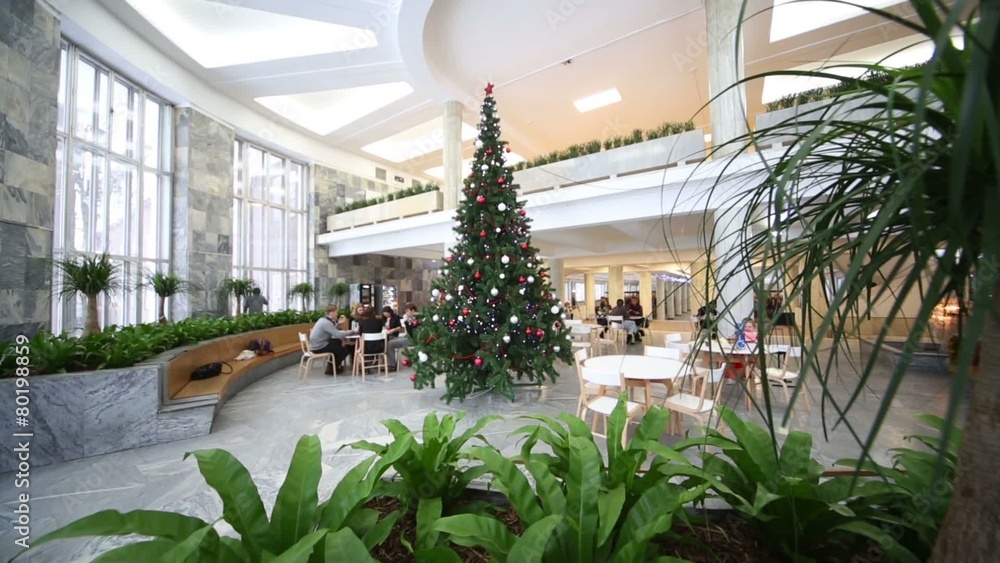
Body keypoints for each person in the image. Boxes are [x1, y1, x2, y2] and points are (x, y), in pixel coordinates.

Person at [309, 305, 356, 375]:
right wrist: (353, 331)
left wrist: (339, 324)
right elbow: (339, 335)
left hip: (316, 345)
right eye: (336, 312)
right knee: (345, 349)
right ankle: (332, 369)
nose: (337, 314)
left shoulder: (322, 320)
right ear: (331, 313)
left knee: (337, 344)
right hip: (320, 346)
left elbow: (332, 330)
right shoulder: (326, 323)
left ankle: (333, 367)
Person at [387, 303, 419, 371]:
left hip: (412, 339)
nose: (406, 313)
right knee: (394, 339)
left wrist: (406, 322)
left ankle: (392, 365)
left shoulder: (415, 320)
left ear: (412, 311)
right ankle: (391, 363)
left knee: (390, 344)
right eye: (406, 311)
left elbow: (411, 332)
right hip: (409, 337)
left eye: (407, 311)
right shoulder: (411, 318)